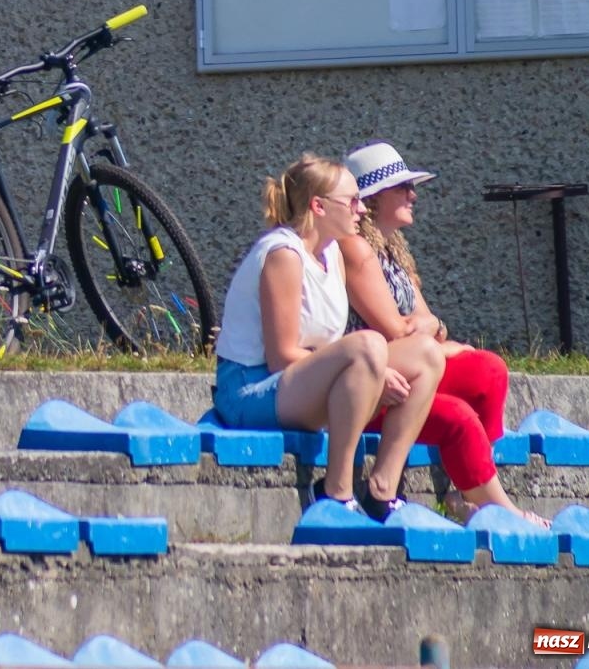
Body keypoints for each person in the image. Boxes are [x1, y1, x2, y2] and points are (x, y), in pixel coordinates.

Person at [213, 154, 445, 519]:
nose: (362, 210)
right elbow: (282, 357)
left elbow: (327, 348)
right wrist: (373, 371)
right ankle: (336, 493)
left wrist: (370, 367)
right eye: (352, 201)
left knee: (427, 354)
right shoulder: (283, 255)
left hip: (298, 383)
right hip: (250, 390)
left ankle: (381, 490)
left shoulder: (332, 252)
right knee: (370, 347)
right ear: (318, 206)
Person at [340, 141, 548, 526]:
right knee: (458, 416)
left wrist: (431, 334)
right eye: (403, 187)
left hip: (410, 368)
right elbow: (397, 328)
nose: (413, 194)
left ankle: (466, 489)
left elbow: (429, 322)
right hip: (375, 384)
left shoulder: (392, 249)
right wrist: (429, 334)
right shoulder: (355, 249)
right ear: (374, 198)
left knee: (488, 370)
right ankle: (498, 507)